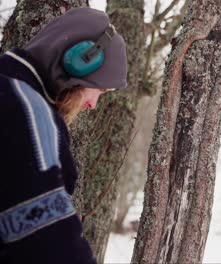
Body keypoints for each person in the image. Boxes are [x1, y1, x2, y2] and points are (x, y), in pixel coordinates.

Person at [0, 7, 128, 263]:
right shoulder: (28, 114)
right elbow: (51, 246)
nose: (92, 104)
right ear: (80, 61)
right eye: (99, 91)